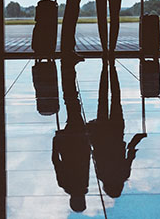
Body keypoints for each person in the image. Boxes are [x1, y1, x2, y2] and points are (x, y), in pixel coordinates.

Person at [87, 57, 146, 199]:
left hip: (116, 131)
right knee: (102, 99)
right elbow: (94, 153)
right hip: (101, 132)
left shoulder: (123, 174)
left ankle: (111, 71)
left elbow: (130, 153)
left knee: (116, 99)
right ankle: (106, 72)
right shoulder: (101, 174)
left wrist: (138, 138)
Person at [51, 60, 91, 212]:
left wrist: (87, 141)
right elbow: (56, 160)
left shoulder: (81, 184)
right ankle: (69, 80)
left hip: (77, 140)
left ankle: (69, 78)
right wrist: (56, 142)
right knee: (74, 109)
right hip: (69, 142)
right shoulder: (67, 184)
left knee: (74, 108)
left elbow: (84, 159)